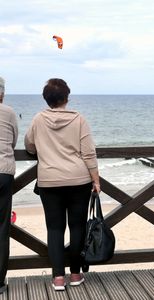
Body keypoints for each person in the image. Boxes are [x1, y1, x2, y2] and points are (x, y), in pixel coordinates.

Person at [24, 78, 100, 291]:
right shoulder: (79, 120)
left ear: (46, 99)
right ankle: (75, 275)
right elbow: (88, 153)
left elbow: (29, 145)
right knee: (77, 227)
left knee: (55, 229)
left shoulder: (38, 119)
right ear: (67, 97)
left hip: (49, 181)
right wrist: (96, 179)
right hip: (78, 181)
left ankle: (58, 278)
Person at [0, 77, 18, 294]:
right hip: (3, 172)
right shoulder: (9, 112)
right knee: (2, 228)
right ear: (2, 93)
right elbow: (13, 141)